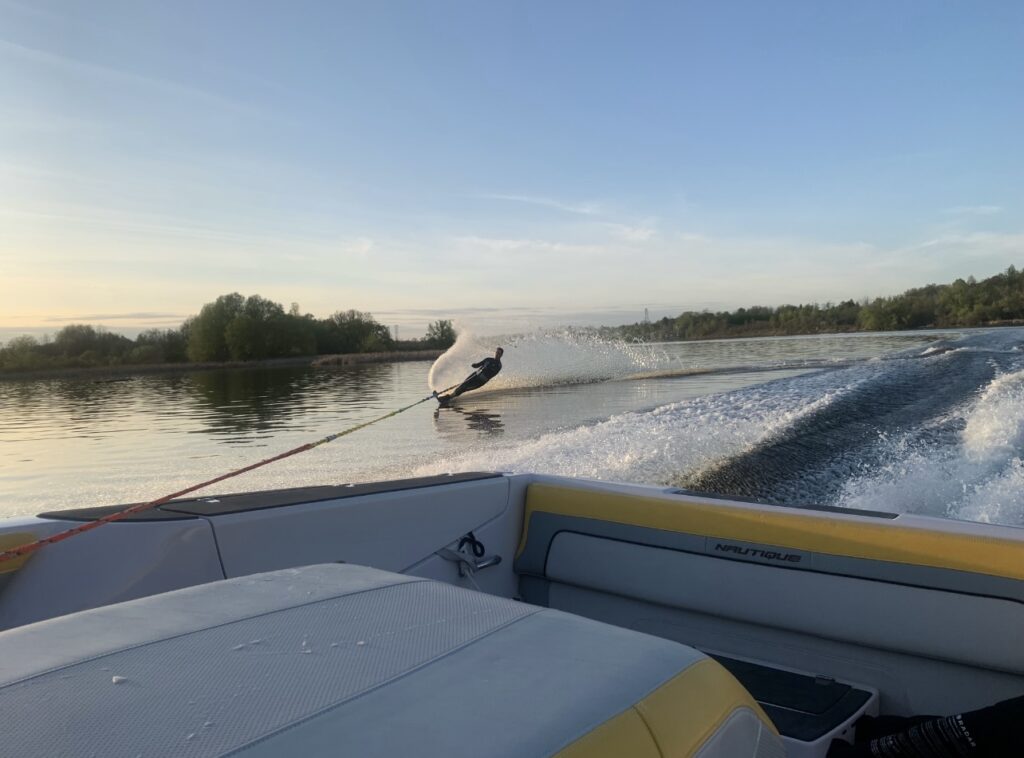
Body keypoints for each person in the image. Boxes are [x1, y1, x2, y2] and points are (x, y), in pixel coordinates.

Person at [436, 347, 503, 404]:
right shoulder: (488, 359)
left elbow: (492, 374)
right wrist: (474, 365)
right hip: (475, 375)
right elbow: (478, 365)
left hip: (481, 381)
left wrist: (488, 368)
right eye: (496, 352)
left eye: (499, 353)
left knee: (464, 388)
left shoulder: (499, 365)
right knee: (462, 385)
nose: (497, 354)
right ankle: (447, 398)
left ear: (501, 355)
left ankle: (448, 398)